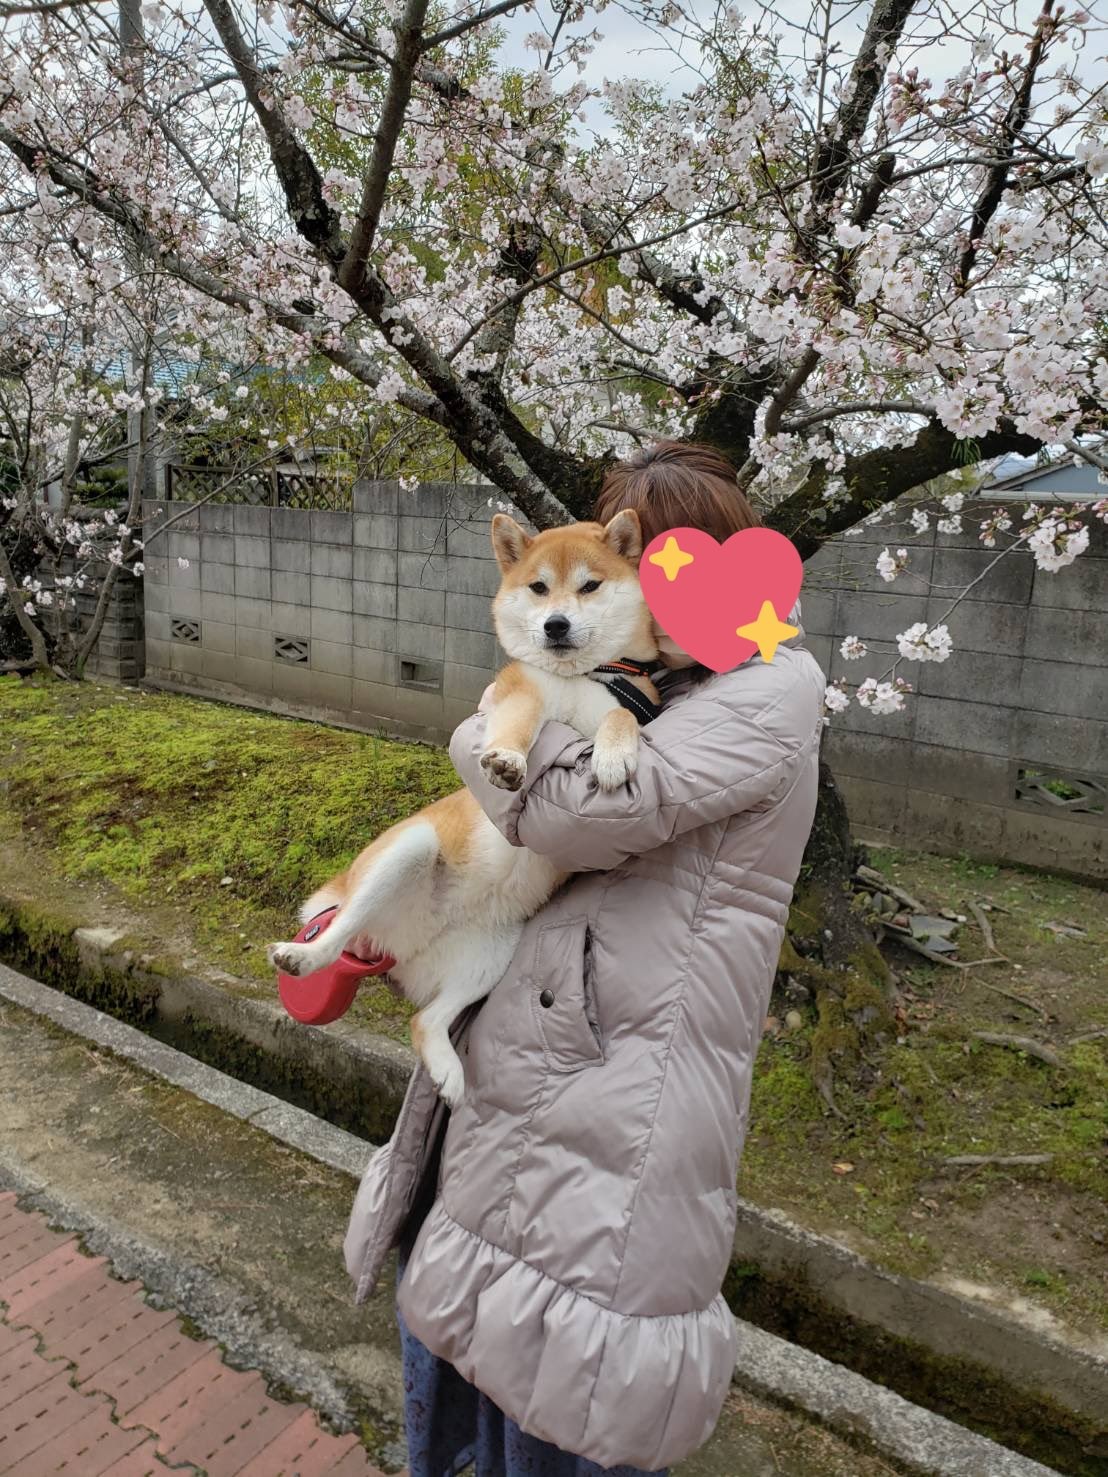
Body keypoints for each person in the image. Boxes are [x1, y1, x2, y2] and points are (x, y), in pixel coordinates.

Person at [344, 440, 825, 1477]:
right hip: (564, 1025)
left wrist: (488, 721)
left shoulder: (767, 687)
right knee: (493, 1290)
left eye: (646, 553)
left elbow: (577, 812)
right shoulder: (655, 675)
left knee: (579, 1327)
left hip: (635, 1053)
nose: (641, 578)